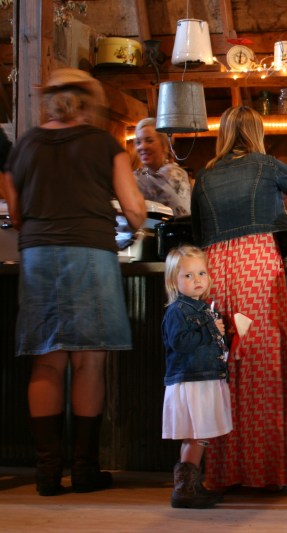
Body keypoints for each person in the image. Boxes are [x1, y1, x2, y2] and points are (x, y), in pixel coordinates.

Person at [2, 68, 146, 496]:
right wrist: (131, 224)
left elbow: (14, 212)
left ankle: (47, 473)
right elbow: (136, 208)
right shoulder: (103, 145)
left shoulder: (24, 145)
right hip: (90, 254)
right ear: (86, 103)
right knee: (89, 362)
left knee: (46, 362)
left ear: (50, 101)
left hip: (38, 257)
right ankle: (84, 470)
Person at [191, 106, 287, 490]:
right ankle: (267, 474)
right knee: (265, 367)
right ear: (256, 132)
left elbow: (198, 232)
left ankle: (223, 473)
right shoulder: (267, 165)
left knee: (224, 370)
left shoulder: (204, 175)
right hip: (257, 264)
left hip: (215, 269)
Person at [161, 245, 232, 509]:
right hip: (193, 381)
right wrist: (209, 330)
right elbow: (180, 342)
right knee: (195, 434)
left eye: (201, 273)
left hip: (204, 377)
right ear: (174, 280)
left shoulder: (202, 308)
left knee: (199, 435)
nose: (197, 280)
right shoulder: (178, 310)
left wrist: (219, 332)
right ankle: (184, 490)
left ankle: (191, 485)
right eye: (188, 276)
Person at [133, 117, 192, 217]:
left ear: (164, 145)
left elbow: (151, 185)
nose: (142, 146)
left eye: (149, 141)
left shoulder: (176, 174)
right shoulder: (142, 174)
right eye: (138, 142)